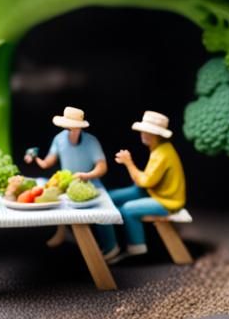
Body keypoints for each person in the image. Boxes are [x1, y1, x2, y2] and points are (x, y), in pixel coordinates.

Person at [25, 106, 119, 260]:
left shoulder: (91, 142)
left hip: (91, 183)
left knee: (102, 209)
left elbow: (102, 167)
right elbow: (48, 162)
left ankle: (110, 246)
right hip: (67, 182)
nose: (69, 131)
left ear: (79, 128)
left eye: (73, 128)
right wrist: (35, 158)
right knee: (54, 201)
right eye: (67, 128)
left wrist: (87, 175)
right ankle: (63, 233)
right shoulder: (59, 139)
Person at [111, 110, 187, 256]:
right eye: (142, 131)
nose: (143, 135)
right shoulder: (159, 148)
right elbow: (146, 179)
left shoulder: (162, 154)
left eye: (147, 132)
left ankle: (137, 247)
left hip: (168, 201)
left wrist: (129, 163)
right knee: (114, 198)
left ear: (157, 134)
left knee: (127, 209)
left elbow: (144, 182)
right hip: (156, 191)